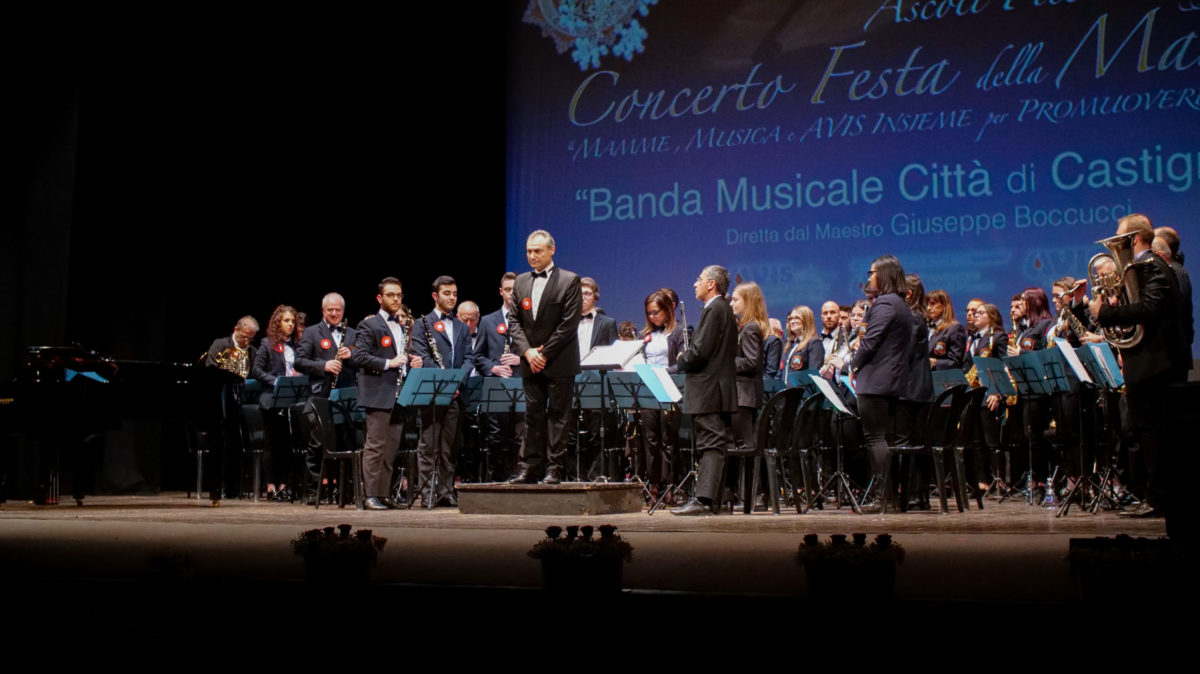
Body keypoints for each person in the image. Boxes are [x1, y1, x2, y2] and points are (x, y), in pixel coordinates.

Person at [1080, 213, 1189, 518]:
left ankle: (1158, 499)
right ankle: (1153, 496)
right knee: (1147, 432)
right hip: (1145, 362)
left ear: (1135, 238)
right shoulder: (1144, 267)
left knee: (1153, 434)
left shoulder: (1152, 265)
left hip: (1155, 364)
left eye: (1120, 237)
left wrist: (1105, 313)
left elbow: (1151, 308)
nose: (1115, 242)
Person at [507, 230, 582, 485]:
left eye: (537, 251)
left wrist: (543, 353)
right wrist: (528, 352)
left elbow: (568, 325)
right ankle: (530, 467)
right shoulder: (521, 281)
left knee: (559, 417)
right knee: (532, 415)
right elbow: (514, 322)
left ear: (552, 250)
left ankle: (555, 469)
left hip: (559, 361)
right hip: (530, 361)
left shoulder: (569, 280)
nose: (532, 256)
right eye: (528, 251)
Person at [671, 265, 738, 516]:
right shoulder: (723, 309)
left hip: (709, 389)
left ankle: (704, 500)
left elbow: (700, 351)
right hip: (716, 389)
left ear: (711, 284)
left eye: (699, 279)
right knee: (714, 443)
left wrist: (682, 359)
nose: (694, 284)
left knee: (711, 443)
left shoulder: (715, 309)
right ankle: (716, 498)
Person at [352, 277, 423, 510]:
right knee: (375, 446)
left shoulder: (401, 326)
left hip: (398, 394)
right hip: (378, 393)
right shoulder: (370, 325)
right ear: (379, 298)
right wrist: (389, 363)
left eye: (399, 295)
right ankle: (370, 495)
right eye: (390, 295)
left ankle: (383, 494)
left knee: (391, 447)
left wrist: (413, 362)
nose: (395, 299)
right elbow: (359, 356)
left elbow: (400, 359)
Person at [849, 255, 913, 509]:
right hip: (891, 381)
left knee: (875, 439)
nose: (869, 278)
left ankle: (883, 497)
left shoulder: (885, 303)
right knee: (885, 439)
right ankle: (889, 497)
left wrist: (853, 366)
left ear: (883, 275)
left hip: (876, 381)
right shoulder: (900, 304)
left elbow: (870, 342)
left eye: (872, 273)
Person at [410, 275, 475, 507]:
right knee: (429, 445)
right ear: (435, 296)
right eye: (447, 293)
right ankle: (427, 491)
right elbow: (423, 356)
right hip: (433, 393)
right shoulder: (422, 324)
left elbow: (469, 358)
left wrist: (457, 382)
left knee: (449, 446)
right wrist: (446, 380)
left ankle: (445, 490)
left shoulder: (461, 327)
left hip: (455, 395)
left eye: (454, 294)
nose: (452, 298)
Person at [295, 293, 357, 503]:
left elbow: (362, 361)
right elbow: (299, 361)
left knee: (346, 442)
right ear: (323, 311)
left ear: (343, 311)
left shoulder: (353, 334)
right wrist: (324, 365)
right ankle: (314, 490)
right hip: (320, 394)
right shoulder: (312, 332)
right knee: (318, 444)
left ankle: (345, 490)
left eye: (338, 309)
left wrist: (352, 356)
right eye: (330, 309)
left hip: (346, 395)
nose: (334, 313)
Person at [204, 315, 259, 503]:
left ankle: (233, 487)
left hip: (239, 402)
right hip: (219, 401)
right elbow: (210, 368)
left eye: (250, 338)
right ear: (236, 329)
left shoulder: (252, 351)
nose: (246, 341)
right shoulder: (220, 344)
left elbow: (254, 374)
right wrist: (228, 375)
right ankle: (215, 486)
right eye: (244, 336)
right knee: (218, 444)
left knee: (236, 445)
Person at [475, 272, 524, 481]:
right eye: (507, 289)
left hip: (521, 384)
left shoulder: (529, 320)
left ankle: (520, 478)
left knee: (521, 435)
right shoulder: (488, 321)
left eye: (515, 290)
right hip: (496, 387)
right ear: (501, 292)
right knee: (497, 437)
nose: (511, 293)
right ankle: (498, 481)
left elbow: (539, 353)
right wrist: (494, 368)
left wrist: (521, 359)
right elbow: (478, 356)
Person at [251, 304, 302, 501]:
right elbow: (256, 370)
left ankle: (284, 486)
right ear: (277, 323)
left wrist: (299, 375)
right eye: (286, 321)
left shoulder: (297, 346)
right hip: (271, 400)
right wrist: (277, 381)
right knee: (272, 444)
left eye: (292, 321)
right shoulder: (267, 344)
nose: (290, 324)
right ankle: (270, 486)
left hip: (291, 400)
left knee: (288, 445)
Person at [569, 276, 619, 480]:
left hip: (596, 384)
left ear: (595, 297)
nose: (583, 298)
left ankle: (594, 477)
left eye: (587, 294)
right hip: (570, 380)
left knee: (595, 433)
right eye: (579, 294)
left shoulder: (608, 323)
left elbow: (613, 355)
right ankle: (572, 477)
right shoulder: (566, 321)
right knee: (569, 433)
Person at [639, 289, 687, 502]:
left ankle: (670, 486)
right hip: (648, 389)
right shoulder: (645, 335)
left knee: (668, 439)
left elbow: (682, 364)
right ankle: (653, 485)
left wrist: (661, 373)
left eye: (656, 312)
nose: (652, 317)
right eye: (649, 313)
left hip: (668, 388)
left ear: (667, 310)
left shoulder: (678, 332)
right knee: (651, 440)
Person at [729, 282, 768, 454]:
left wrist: (725, 363)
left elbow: (751, 362)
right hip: (740, 396)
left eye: (735, 300)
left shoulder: (751, 328)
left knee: (745, 445)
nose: (731, 303)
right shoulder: (744, 327)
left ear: (748, 301)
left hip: (744, 396)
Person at [780, 305, 824, 384]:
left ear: (806, 320)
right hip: (785, 390)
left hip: (801, 390)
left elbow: (814, 375)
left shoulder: (814, 343)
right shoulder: (789, 345)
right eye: (791, 319)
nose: (792, 321)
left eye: (797, 318)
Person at [926, 289, 967, 371]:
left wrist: (934, 362)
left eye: (933, 304)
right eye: (927, 304)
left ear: (944, 306)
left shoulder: (955, 329)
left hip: (941, 377)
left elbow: (955, 362)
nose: (928, 308)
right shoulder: (926, 327)